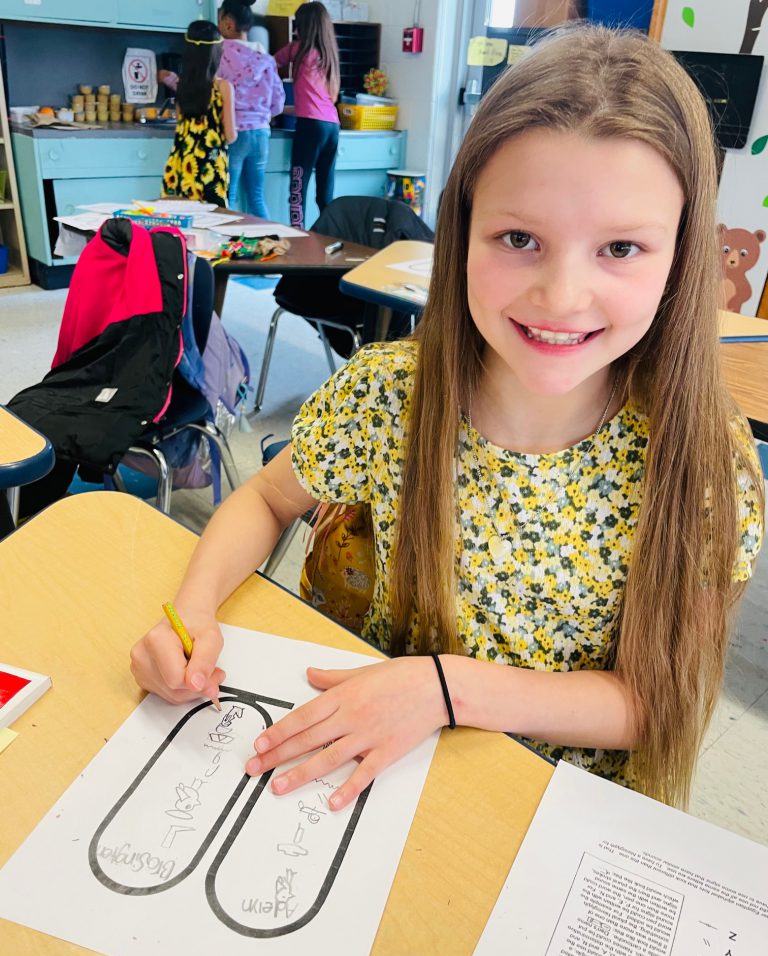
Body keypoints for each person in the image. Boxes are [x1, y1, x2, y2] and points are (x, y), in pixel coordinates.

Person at [132, 24, 764, 814]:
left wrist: (444, 689)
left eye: (622, 249)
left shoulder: (704, 459)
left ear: (680, 258)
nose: (562, 296)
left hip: (551, 808)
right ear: (462, 232)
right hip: (373, 786)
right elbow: (265, 499)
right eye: (520, 238)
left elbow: (654, 702)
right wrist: (190, 611)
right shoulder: (390, 395)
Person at [160, 2, 285, 217]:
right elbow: (278, 104)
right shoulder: (266, 59)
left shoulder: (218, 51)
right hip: (261, 132)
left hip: (232, 134)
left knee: (230, 197)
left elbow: (202, 87)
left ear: (227, 23)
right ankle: (267, 244)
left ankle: (233, 247)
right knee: (256, 197)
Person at [273, 2, 340, 229]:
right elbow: (316, 102)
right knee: (324, 192)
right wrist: (283, 108)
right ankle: (330, 235)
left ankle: (297, 235)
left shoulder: (298, 49)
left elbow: (267, 64)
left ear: (303, 27)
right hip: (332, 126)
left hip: (310, 127)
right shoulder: (328, 55)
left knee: (298, 188)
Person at [162, 20, 237, 208]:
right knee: (214, 222)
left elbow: (181, 124)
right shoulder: (223, 88)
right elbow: (230, 135)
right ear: (216, 53)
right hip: (210, 165)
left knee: (181, 219)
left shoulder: (182, 86)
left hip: (182, 162)